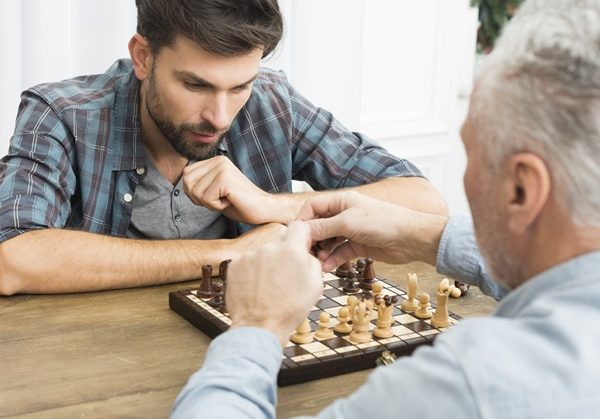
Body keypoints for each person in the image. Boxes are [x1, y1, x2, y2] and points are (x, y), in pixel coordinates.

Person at [170, 0, 600, 417]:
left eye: (472, 157)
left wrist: (257, 326)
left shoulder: (472, 384)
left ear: (522, 190)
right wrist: (429, 237)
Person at [0, 0, 446, 295]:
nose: (219, 115)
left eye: (239, 86)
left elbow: (424, 202)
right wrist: (229, 253)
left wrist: (275, 207)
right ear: (143, 57)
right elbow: (13, 256)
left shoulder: (272, 101)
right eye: (195, 84)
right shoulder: (60, 114)